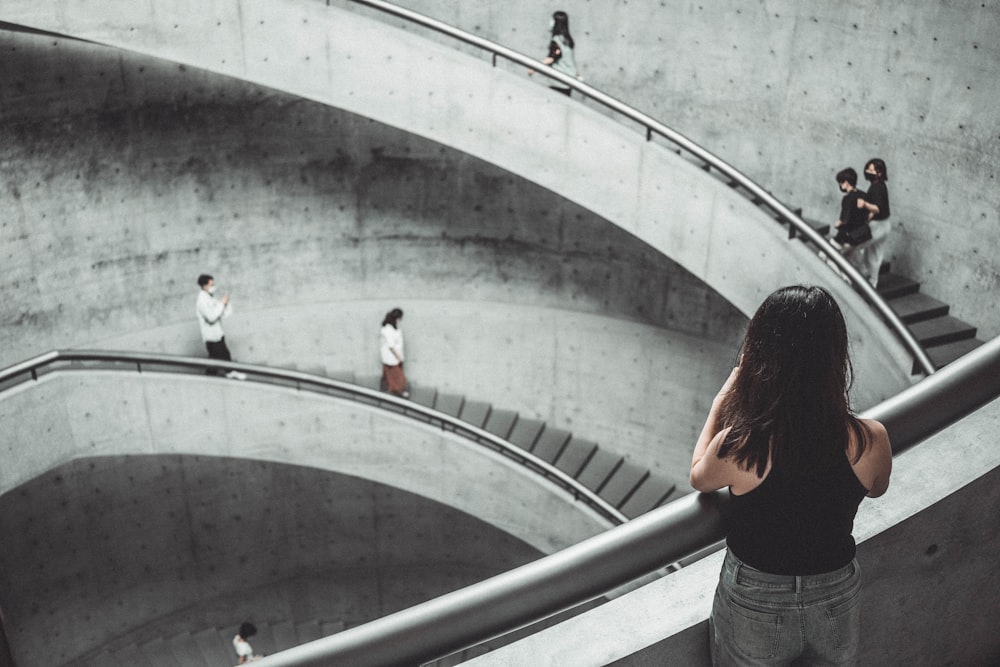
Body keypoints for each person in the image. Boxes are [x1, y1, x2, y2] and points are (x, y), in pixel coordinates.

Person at [690, 285, 892, 666]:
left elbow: (699, 476)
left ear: (762, 356)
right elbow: (878, 488)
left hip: (757, 596)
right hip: (836, 591)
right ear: (836, 357)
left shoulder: (744, 445)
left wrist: (720, 402)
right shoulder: (870, 438)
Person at [196, 273, 246, 380]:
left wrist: (225, 304)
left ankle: (209, 379)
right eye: (211, 285)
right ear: (204, 286)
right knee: (222, 355)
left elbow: (223, 313)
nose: (214, 287)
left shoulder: (210, 298)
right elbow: (211, 317)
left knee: (215, 360)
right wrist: (221, 304)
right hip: (211, 336)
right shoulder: (202, 301)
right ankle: (229, 372)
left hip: (217, 334)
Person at [831, 167, 872, 276]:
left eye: (841, 182)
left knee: (826, 254)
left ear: (846, 182)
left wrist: (838, 223)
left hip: (846, 236)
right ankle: (862, 272)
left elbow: (845, 219)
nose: (840, 185)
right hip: (860, 235)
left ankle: (842, 277)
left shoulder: (847, 199)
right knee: (851, 256)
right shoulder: (863, 195)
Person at [529, 11, 580, 96]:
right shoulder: (566, 40)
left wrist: (534, 68)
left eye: (552, 20)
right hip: (569, 79)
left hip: (560, 80)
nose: (550, 23)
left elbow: (551, 58)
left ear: (556, 23)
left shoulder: (557, 41)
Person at [857, 158, 891, 286]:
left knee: (854, 246)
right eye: (867, 169)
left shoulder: (877, 187)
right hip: (884, 223)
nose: (867, 172)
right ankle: (872, 281)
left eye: (871, 170)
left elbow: (877, 208)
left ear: (880, 173)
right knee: (875, 253)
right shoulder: (880, 185)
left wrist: (864, 204)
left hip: (878, 226)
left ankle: (861, 273)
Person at [380, 307, 409, 398]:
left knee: (390, 375)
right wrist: (398, 357)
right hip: (392, 357)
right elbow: (391, 345)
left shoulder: (392, 328)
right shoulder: (387, 329)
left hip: (395, 356)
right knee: (396, 376)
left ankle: (390, 389)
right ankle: (398, 391)